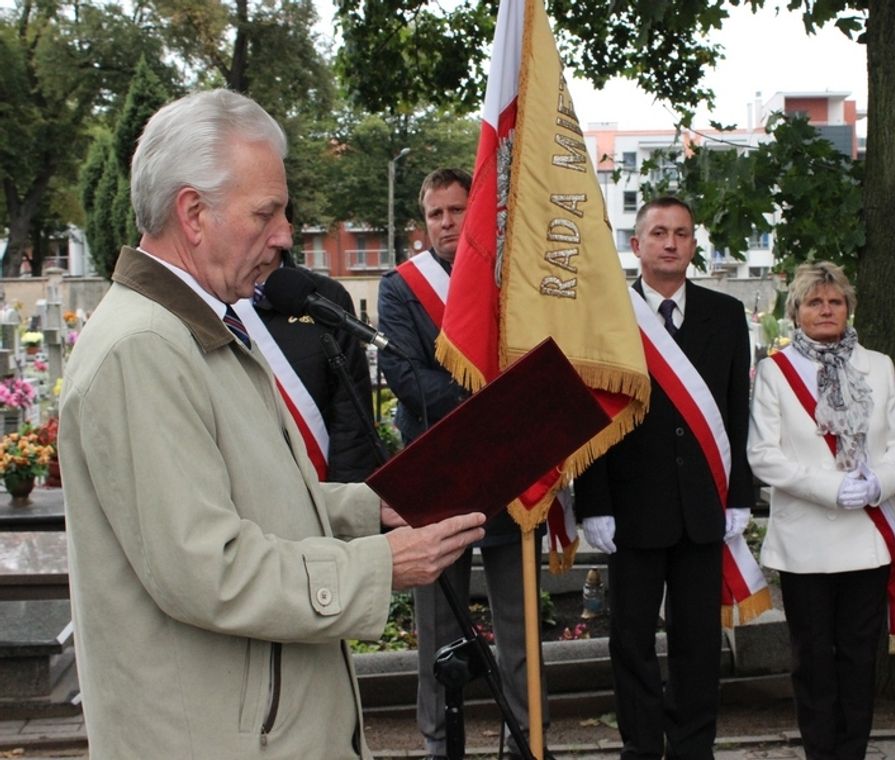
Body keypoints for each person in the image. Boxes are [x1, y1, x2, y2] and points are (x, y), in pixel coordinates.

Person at [58, 89, 486, 759]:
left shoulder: (197, 328)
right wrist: (380, 566)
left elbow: (250, 499)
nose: (286, 234)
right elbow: (209, 568)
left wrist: (369, 508)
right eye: (267, 213)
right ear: (193, 214)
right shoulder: (143, 349)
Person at [376, 167, 550, 760]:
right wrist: (492, 402)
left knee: (519, 629)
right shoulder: (400, 288)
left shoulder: (512, 279)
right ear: (424, 222)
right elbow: (405, 378)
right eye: (437, 214)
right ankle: (438, 745)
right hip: (439, 476)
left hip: (511, 473)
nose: (448, 223)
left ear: (474, 213)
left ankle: (526, 740)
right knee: (437, 630)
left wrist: (491, 400)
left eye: (457, 210)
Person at [575, 196, 753, 759]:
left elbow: (736, 410)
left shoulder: (726, 314)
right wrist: (594, 502)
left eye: (680, 233)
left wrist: (739, 495)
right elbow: (592, 414)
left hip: (703, 506)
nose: (670, 243)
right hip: (631, 510)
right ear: (636, 245)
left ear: (694, 245)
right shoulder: (608, 315)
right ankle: (641, 747)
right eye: (658, 233)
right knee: (632, 642)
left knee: (698, 642)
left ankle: (694, 747)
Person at [748, 261, 895, 759]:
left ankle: (853, 752)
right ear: (796, 311)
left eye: (835, 301)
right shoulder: (776, 372)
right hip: (805, 541)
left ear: (848, 308)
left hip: (867, 535)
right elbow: (763, 455)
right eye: (814, 302)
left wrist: (879, 482)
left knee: (859, 658)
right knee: (813, 661)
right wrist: (830, 488)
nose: (826, 310)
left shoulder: (879, 366)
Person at [235, 240, 379, 483]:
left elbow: (351, 412)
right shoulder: (210, 300)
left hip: (325, 481)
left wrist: (345, 494)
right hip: (250, 484)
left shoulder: (326, 295)